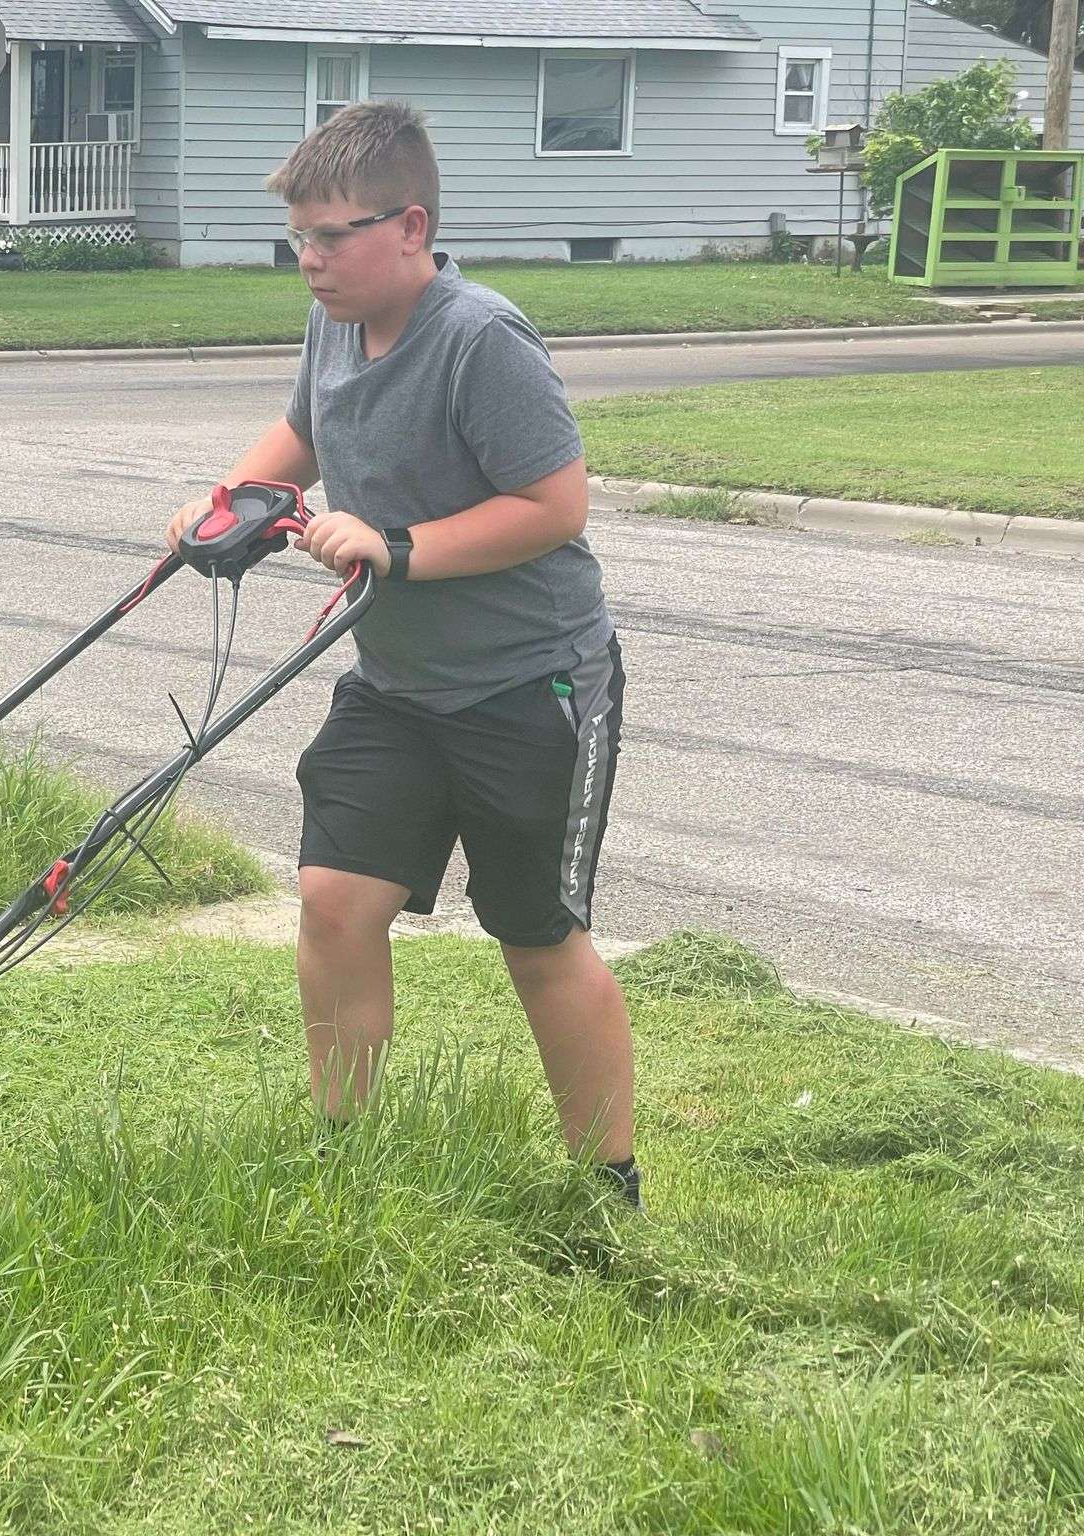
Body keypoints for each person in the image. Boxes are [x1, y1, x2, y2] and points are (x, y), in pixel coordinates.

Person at [164, 101, 638, 1209]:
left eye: (331, 236)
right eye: (297, 240)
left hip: (533, 683)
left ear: (411, 224)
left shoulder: (480, 338)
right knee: (332, 898)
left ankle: (606, 1188)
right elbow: (303, 434)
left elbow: (555, 505)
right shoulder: (335, 320)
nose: (309, 262)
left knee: (534, 936)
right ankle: (346, 1157)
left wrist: (396, 548)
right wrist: (230, 502)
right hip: (395, 683)